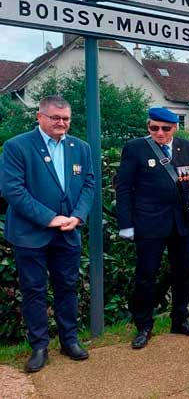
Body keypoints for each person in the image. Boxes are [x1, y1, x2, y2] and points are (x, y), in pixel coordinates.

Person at [1, 95, 95, 372]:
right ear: (40, 117)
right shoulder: (17, 146)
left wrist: (78, 216)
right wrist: (50, 218)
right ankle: (39, 346)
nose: (61, 123)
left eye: (66, 118)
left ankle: (70, 340)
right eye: (55, 118)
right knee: (34, 291)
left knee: (67, 288)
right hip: (31, 235)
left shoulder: (81, 147)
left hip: (68, 232)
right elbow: (12, 190)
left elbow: (89, 184)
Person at [116, 107, 189, 349]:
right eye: (154, 128)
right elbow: (123, 188)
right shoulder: (135, 148)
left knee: (183, 272)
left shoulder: (185, 147)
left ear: (175, 128)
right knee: (146, 276)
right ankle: (144, 325)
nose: (159, 133)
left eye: (165, 128)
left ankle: (180, 319)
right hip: (148, 223)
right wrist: (126, 224)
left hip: (180, 222)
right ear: (148, 127)